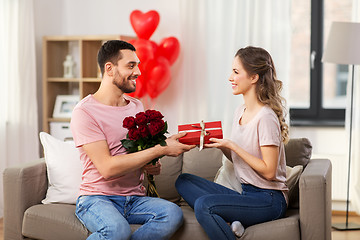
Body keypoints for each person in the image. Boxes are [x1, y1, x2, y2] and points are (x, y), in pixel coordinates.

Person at [70, 40, 195, 240]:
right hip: (97, 199)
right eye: (131, 65)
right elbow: (107, 168)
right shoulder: (85, 112)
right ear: (109, 69)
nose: (138, 72)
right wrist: (160, 150)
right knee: (117, 231)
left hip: (135, 198)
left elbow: (134, 154)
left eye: (137, 65)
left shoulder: (136, 106)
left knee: (172, 214)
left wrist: (149, 164)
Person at [175, 46, 289, 240]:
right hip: (246, 194)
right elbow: (240, 160)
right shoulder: (240, 112)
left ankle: (225, 219)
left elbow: (269, 172)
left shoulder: (266, 118)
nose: (230, 78)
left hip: (269, 199)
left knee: (204, 205)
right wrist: (222, 147)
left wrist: (232, 145)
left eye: (236, 72)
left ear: (253, 77)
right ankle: (230, 220)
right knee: (183, 181)